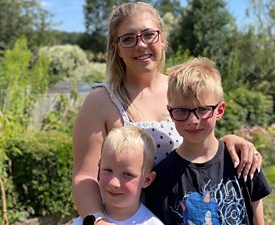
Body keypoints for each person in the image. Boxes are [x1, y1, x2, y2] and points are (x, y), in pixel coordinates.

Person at [72, 2, 262, 225]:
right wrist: (99, 221)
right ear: (116, 47)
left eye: (149, 35)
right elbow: (84, 177)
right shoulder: (100, 101)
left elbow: (201, 143)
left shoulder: (181, 89)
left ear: (162, 39)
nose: (141, 45)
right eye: (128, 38)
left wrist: (230, 142)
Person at [145, 57, 272, 225]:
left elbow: (258, 219)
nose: (193, 120)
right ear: (170, 112)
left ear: (219, 111)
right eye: (182, 111)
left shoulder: (244, 162)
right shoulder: (161, 177)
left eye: (203, 110)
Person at [72, 126, 163, 225]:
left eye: (127, 174)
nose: (113, 183)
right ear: (99, 165)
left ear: (147, 180)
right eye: (108, 170)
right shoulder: (84, 221)